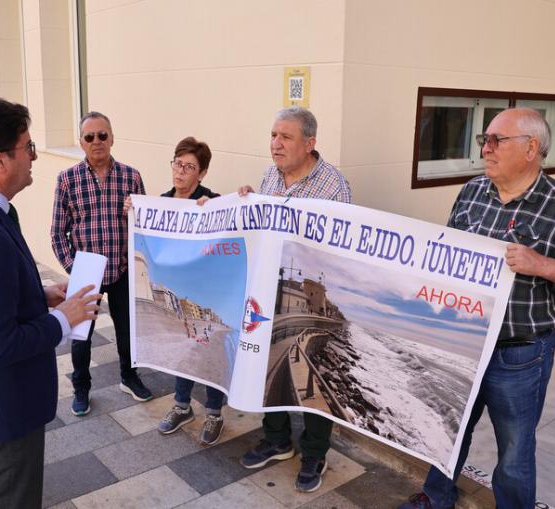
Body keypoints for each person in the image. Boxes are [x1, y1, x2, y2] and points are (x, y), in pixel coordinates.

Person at [398, 108, 555, 509]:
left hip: (519, 354)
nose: (485, 149)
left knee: (515, 450)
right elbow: (450, 251)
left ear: (531, 148)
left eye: (495, 141)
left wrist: (540, 264)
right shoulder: (472, 192)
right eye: (483, 140)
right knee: (449, 428)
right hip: (464, 339)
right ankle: (436, 497)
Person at [0, 97, 101, 509]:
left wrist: (40, 294)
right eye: (28, 148)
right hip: (5, 406)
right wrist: (62, 319)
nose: (34, 157)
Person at [237, 106, 351, 493]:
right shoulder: (270, 176)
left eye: (285, 137)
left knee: (316, 375)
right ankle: (278, 439)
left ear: (310, 142)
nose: (275, 144)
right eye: (273, 135)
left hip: (308, 292)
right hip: (270, 289)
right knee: (269, 366)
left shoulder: (333, 186)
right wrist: (249, 204)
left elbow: (340, 246)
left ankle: (315, 452)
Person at [51, 111, 153, 416]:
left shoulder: (130, 176)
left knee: (126, 330)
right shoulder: (67, 179)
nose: (97, 142)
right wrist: (74, 268)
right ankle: (81, 387)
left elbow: (144, 225)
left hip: (121, 268)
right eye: (89, 137)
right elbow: (58, 232)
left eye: (102, 135)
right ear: (81, 142)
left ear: (112, 138)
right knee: (81, 336)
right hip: (87, 271)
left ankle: (129, 376)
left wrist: (134, 214)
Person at [156, 136, 226, 446]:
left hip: (208, 293)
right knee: (183, 348)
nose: (180, 171)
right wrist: (134, 210)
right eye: (177, 163)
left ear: (202, 173)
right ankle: (182, 406)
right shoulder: (160, 202)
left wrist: (215, 210)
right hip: (177, 291)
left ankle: (214, 413)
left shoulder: (211, 201)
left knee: (209, 348)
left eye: (189, 167)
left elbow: (230, 233)